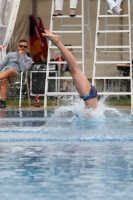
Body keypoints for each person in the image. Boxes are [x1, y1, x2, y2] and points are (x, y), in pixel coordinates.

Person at [42, 30, 98, 109]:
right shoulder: (59, 57)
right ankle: (57, 42)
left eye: (70, 51)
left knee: (73, 69)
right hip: (89, 95)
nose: (69, 52)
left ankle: (57, 42)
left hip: (89, 95)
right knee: (74, 69)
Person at [0, 39, 33, 108]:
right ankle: (3, 102)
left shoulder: (28, 59)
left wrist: (21, 56)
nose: (22, 48)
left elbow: (23, 69)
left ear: (26, 48)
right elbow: (1, 65)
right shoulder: (10, 54)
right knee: (4, 79)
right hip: (5, 74)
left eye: (24, 47)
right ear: (18, 46)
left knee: (11, 70)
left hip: (17, 75)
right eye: (21, 46)